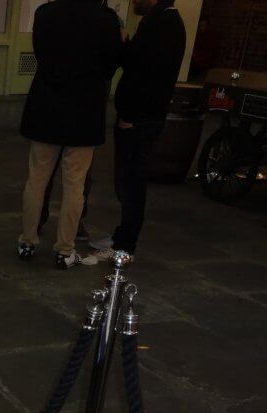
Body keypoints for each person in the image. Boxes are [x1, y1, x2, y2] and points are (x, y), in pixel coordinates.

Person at [18, 0, 122, 269]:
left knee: (36, 180)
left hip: (46, 106)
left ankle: (27, 241)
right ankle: (64, 250)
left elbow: (40, 53)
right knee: (74, 185)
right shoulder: (106, 18)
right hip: (83, 110)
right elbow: (111, 65)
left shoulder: (45, 12)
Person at [89, 0, 186, 259]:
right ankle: (122, 236)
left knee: (131, 182)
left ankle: (124, 245)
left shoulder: (164, 24)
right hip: (142, 116)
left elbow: (147, 74)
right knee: (127, 181)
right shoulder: (159, 21)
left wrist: (130, 115)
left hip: (141, 119)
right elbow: (139, 62)